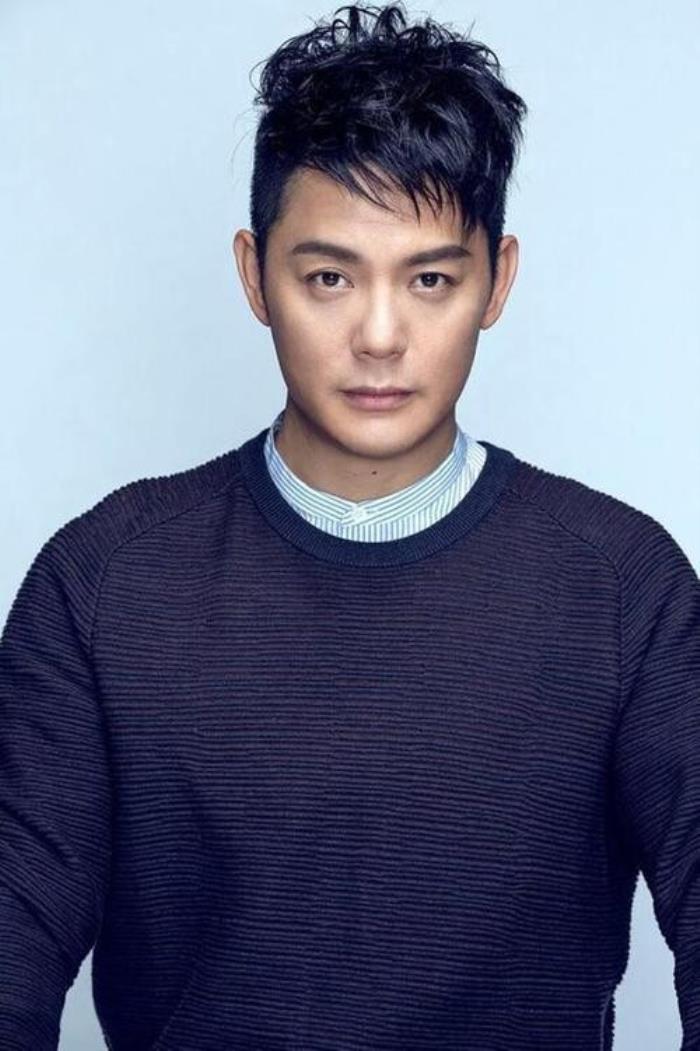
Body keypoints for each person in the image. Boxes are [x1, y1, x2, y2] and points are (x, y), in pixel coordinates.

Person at [1, 3, 698, 1049]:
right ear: (255, 275)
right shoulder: (103, 580)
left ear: (497, 280)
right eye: (329, 277)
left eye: (430, 279)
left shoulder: (622, 585)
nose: (379, 335)